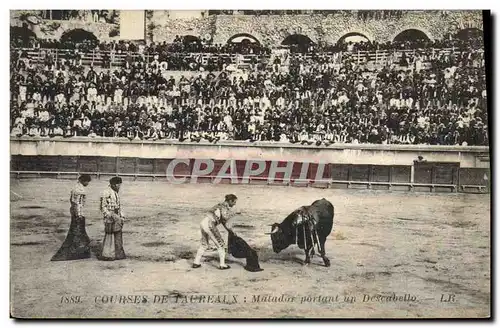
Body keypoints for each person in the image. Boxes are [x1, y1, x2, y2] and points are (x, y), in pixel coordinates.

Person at [192, 194, 240, 270]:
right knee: (221, 245)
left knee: (204, 244)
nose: (235, 204)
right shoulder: (224, 207)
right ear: (230, 201)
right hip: (209, 225)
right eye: (234, 202)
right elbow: (225, 218)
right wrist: (234, 213)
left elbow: (224, 222)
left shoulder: (220, 205)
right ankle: (222, 265)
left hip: (203, 223)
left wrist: (230, 231)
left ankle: (196, 262)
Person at [51, 175, 92, 261]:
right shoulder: (79, 190)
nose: (88, 183)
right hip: (78, 213)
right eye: (87, 182)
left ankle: (80, 250)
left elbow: (73, 202)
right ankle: (78, 251)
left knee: (76, 232)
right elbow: (77, 204)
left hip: (75, 212)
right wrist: (79, 215)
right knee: (78, 232)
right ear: (83, 181)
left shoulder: (76, 188)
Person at [99, 176, 126, 261]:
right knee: (110, 235)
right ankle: (108, 255)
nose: (119, 186)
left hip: (116, 215)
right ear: (113, 184)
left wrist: (121, 215)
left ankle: (117, 254)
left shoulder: (114, 192)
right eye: (118, 185)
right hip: (110, 216)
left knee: (117, 233)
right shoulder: (106, 192)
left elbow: (118, 206)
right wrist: (109, 215)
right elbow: (103, 207)